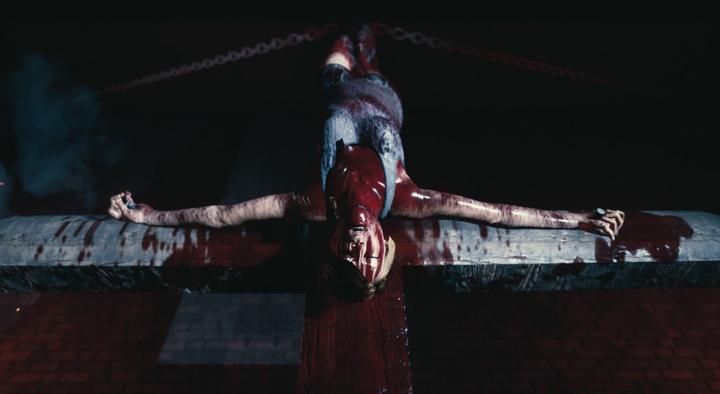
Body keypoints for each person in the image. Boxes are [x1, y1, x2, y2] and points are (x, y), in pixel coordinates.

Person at [108, 25, 625, 301]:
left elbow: (222, 215)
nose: (357, 250)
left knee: (340, 44)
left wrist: (145, 216)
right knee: (368, 43)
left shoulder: (313, 202)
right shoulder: (407, 195)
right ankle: (366, 36)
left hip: (336, 86)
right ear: (384, 246)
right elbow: (497, 214)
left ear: (335, 245)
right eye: (369, 260)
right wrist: (580, 220)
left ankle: (347, 34)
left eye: (348, 258)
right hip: (382, 94)